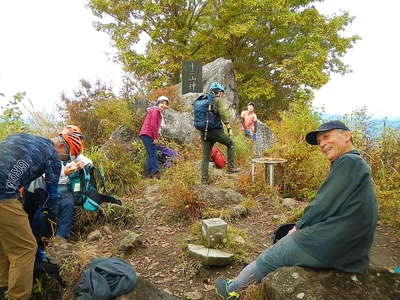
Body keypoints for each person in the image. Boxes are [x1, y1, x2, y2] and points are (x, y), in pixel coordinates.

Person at [215, 120, 378, 299]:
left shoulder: (349, 162)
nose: (322, 144)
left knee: (272, 255)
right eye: (319, 141)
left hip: (336, 243)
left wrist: (298, 227)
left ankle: (233, 289)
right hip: (352, 249)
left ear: (346, 136)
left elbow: (323, 204)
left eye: (326, 137)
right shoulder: (355, 163)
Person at [0, 132, 82, 300]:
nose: (64, 160)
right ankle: (17, 296)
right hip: (3, 195)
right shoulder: (52, 156)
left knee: (5, 244)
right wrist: (52, 216)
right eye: (67, 156)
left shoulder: (21, 136)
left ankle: (3, 286)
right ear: (61, 146)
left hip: (8, 190)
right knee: (26, 248)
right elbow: (52, 194)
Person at [197, 82, 240, 184]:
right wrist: (229, 127)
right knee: (231, 144)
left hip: (204, 132)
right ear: (219, 92)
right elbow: (223, 114)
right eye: (221, 92)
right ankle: (230, 167)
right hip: (215, 131)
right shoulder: (218, 100)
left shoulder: (204, 102)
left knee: (205, 157)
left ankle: (204, 180)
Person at [54, 125, 92, 241]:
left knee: (67, 205)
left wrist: (83, 166)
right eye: (75, 137)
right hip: (49, 185)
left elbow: (88, 162)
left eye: (79, 138)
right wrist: (64, 172)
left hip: (64, 187)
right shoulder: (52, 151)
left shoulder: (75, 152)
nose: (78, 140)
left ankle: (61, 237)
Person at [139, 96, 169, 179]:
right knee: (153, 154)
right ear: (158, 103)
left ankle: (148, 174)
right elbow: (153, 125)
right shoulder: (156, 111)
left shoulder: (156, 111)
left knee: (150, 154)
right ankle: (157, 173)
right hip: (148, 134)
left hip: (145, 134)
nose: (163, 105)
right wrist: (155, 138)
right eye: (162, 103)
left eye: (165, 104)